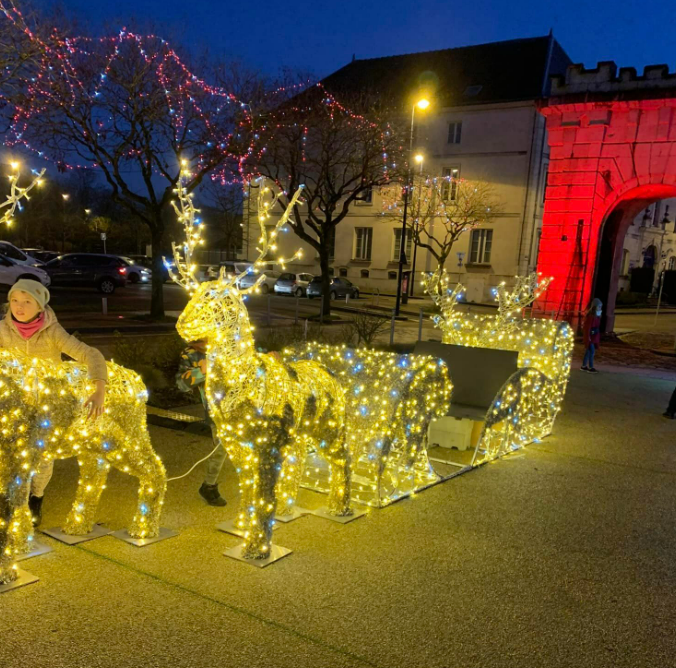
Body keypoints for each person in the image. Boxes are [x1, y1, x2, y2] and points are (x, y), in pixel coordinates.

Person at [0, 278, 107, 526]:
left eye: (27, 301)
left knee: (41, 457)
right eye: (14, 300)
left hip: (45, 404)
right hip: (11, 403)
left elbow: (91, 354)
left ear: (40, 306)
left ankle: (36, 498)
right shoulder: (2, 331)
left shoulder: (52, 332)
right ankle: (11, 500)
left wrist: (99, 387)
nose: (19, 306)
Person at [176, 340, 227, 506]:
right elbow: (182, 384)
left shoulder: (227, 344)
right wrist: (200, 372)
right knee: (222, 446)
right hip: (217, 409)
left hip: (244, 404)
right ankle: (209, 485)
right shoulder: (191, 354)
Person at [581, 298, 602, 373]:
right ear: (595, 307)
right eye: (599, 307)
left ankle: (584, 366)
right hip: (590, 337)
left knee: (588, 351)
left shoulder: (596, 316)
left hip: (593, 336)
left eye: (600, 307)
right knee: (592, 351)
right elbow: (587, 328)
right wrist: (588, 337)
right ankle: (591, 367)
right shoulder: (591, 316)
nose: (600, 308)